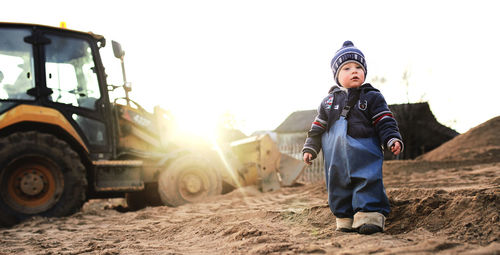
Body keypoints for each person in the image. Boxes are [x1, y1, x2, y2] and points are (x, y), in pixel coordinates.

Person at [302, 41, 403, 235]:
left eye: (358, 67)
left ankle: (369, 216)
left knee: (367, 179)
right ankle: (345, 218)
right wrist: (310, 148)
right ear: (337, 76)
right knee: (338, 184)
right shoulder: (328, 102)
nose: (354, 71)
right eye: (347, 68)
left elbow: (385, 120)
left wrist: (391, 138)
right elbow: (317, 128)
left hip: (365, 150)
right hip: (335, 156)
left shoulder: (372, 97)